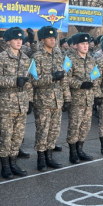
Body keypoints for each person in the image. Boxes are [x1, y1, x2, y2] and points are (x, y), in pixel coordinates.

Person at [0, 27, 32, 179]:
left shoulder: (26, 59)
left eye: (21, 39)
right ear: (8, 41)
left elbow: (29, 82)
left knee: (18, 136)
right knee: (6, 136)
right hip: (7, 102)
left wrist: (30, 100)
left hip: (22, 101)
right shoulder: (0, 58)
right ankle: (5, 166)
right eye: (16, 39)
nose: (19, 41)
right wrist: (14, 81)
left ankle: (13, 162)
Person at [31, 26, 71, 171]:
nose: (53, 40)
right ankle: (41, 158)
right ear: (42, 40)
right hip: (43, 99)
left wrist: (67, 98)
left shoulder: (59, 55)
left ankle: (49, 156)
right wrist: (52, 77)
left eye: (54, 37)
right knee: (43, 129)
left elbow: (64, 79)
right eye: (49, 38)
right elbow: (34, 80)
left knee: (54, 130)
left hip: (57, 99)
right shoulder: (37, 57)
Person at [67, 33, 101, 163]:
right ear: (76, 45)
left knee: (85, 126)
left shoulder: (91, 60)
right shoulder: (70, 60)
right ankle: (73, 152)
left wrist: (97, 95)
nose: (86, 46)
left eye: (87, 44)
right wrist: (80, 84)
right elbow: (66, 79)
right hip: (76, 99)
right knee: (74, 126)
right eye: (83, 44)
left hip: (89, 99)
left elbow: (96, 78)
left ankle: (80, 150)